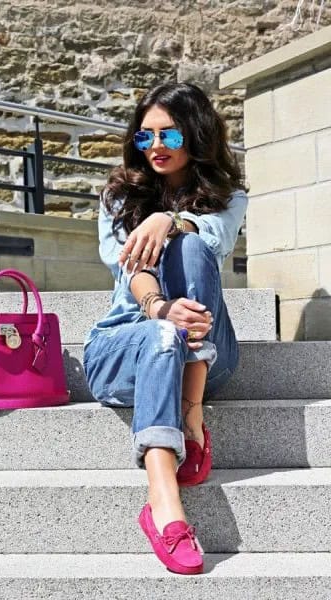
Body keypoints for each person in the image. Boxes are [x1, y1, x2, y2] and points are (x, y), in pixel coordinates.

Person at [83, 82, 248, 575]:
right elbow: (129, 269)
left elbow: (212, 240)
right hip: (125, 345)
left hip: (207, 356)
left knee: (193, 247)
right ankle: (163, 502)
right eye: (145, 136)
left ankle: (191, 413)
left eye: (169, 136)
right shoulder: (118, 195)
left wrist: (169, 221)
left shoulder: (227, 196)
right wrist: (159, 310)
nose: (155, 146)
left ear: (196, 136)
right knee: (162, 335)